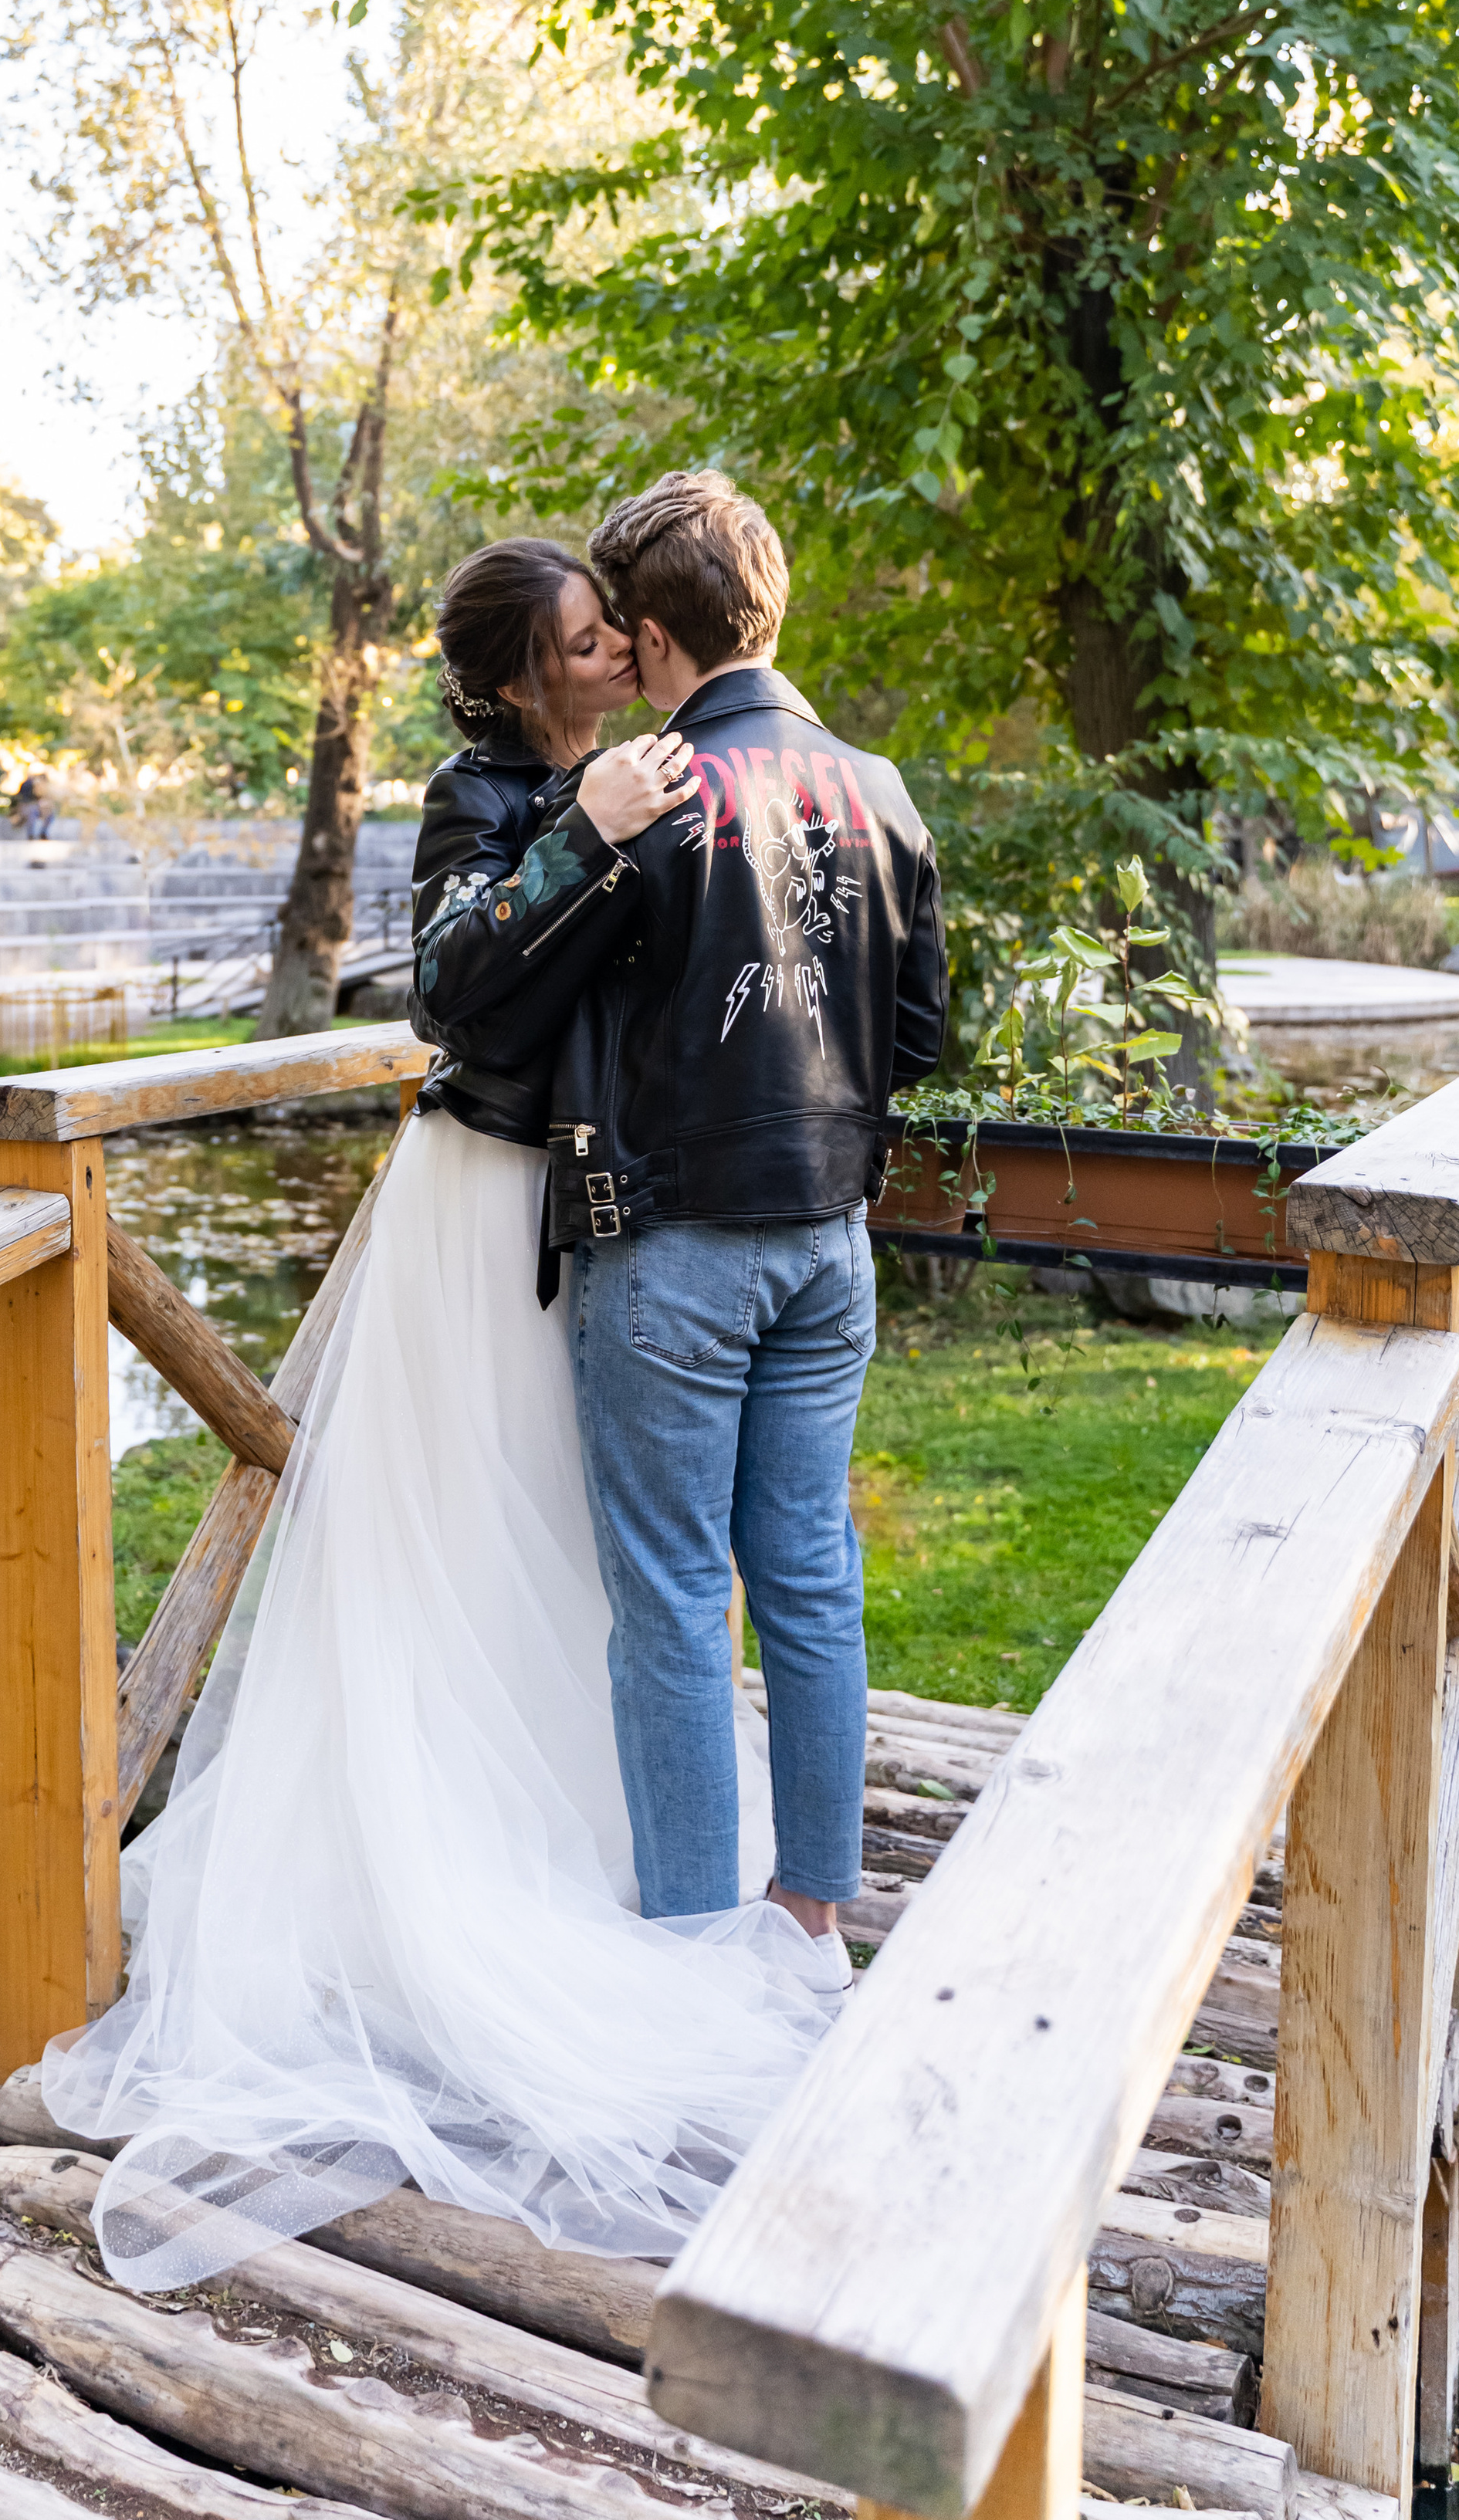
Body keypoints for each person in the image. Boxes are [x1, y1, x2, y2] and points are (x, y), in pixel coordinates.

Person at [42, 536, 846, 2294]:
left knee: (589, 1540)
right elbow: (453, 992)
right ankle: (445, 1871)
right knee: (461, 1529)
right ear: (507, 679)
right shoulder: (482, 795)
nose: (609, 660)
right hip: (480, 1211)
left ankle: (622, 1850)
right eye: (575, 645)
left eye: (612, 638)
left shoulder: (668, 773)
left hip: (611, 1209)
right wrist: (589, 831)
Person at [544, 469, 949, 1942]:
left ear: (652, 636)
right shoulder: (883, 790)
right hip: (830, 1249)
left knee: (669, 1603)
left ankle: (700, 1959)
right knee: (810, 1580)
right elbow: (915, 1042)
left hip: (677, 1250)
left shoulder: (651, 796)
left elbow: (513, 1008)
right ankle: (809, 1925)